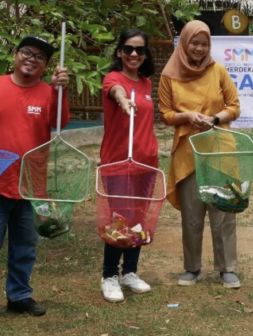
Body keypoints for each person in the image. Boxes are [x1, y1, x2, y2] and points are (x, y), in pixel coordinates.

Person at [0, 35, 69, 320]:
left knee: (26, 246)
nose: (31, 58)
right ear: (15, 55)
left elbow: (59, 123)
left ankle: (19, 296)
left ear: (46, 66)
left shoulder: (49, 92)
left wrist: (59, 90)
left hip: (32, 185)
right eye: (26, 52)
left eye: (39, 57)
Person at [158, 21, 241, 288]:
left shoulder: (218, 70)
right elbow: (166, 114)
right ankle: (192, 268)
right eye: (194, 42)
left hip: (220, 149)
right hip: (187, 151)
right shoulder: (168, 76)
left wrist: (215, 119)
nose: (199, 48)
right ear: (184, 43)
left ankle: (227, 267)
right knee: (192, 214)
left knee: (223, 210)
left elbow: (235, 107)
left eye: (204, 43)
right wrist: (188, 117)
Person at [98, 30, 158, 303]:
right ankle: (109, 276)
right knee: (119, 220)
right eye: (128, 49)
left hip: (146, 162)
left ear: (145, 54)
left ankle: (129, 272)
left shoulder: (146, 83)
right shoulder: (114, 78)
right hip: (120, 161)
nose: (134, 54)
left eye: (139, 50)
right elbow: (116, 91)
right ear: (120, 52)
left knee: (138, 219)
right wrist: (123, 101)